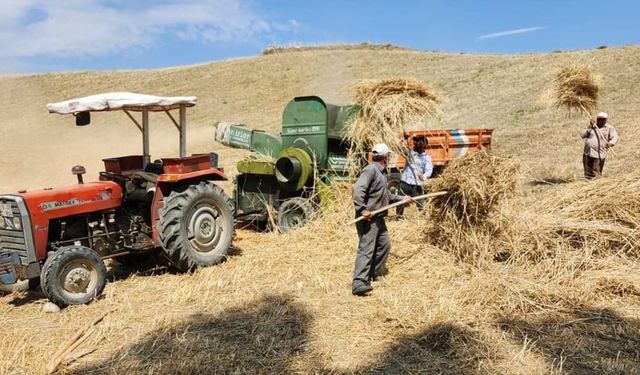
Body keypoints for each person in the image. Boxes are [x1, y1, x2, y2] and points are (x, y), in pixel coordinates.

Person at [351, 143, 411, 296]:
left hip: (378, 217)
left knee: (385, 245)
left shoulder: (382, 173)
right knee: (366, 249)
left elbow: (386, 197)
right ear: (385, 157)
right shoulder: (371, 170)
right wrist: (362, 209)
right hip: (368, 219)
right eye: (389, 156)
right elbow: (358, 190)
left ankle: (373, 273)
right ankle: (359, 282)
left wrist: (401, 199)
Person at [396, 135, 433, 217]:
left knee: (421, 204)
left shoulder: (427, 158)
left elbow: (429, 171)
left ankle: (423, 218)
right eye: (416, 141)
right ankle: (399, 217)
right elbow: (399, 149)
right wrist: (401, 141)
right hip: (405, 182)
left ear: (425, 145)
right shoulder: (410, 154)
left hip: (416, 185)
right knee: (400, 202)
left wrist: (423, 176)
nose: (418, 143)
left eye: (420, 141)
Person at [580, 111, 618, 179]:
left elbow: (614, 137)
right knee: (587, 171)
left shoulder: (609, 128)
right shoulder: (592, 127)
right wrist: (589, 127)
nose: (600, 121)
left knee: (596, 171)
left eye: (602, 119)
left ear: (606, 120)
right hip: (587, 152)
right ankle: (587, 185)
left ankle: (596, 185)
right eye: (599, 119)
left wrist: (611, 143)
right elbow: (582, 135)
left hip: (599, 154)